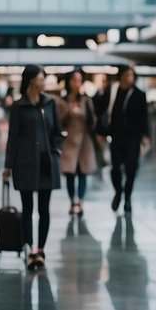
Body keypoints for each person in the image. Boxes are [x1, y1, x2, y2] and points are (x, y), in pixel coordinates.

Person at [3, 65, 63, 271]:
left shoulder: (50, 103)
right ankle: (29, 250)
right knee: (27, 208)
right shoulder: (19, 106)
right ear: (31, 81)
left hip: (46, 161)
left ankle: (41, 250)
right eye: (41, 79)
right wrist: (8, 165)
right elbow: (13, 138)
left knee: (44, 209)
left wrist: (56, 150)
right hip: (25, 162)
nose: (44, 82)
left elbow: (57, 131)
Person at [95, 65, 149, 215]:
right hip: (116, 134)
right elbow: (99, 107)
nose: (129, 78)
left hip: (133, 136)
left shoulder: (139, 94)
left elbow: (144, 117)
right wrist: (101, 90)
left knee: (131, 168)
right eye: (126, 75)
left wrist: (145, 135)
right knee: (116, 168)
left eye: (131, 75)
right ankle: (118, 192)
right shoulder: (113, 90)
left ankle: (127, 198)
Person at [56, 69, 97, 217]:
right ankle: (72, 201)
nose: (77, 83)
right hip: (70, 141)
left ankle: (80, 201)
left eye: (79, 80)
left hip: (84, 141)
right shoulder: (63, 101)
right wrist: (70, 110)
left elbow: (93, 121)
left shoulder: (86, 100)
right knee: (70, 173)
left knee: (82, 172)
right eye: (74, 80)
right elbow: (60, 122)